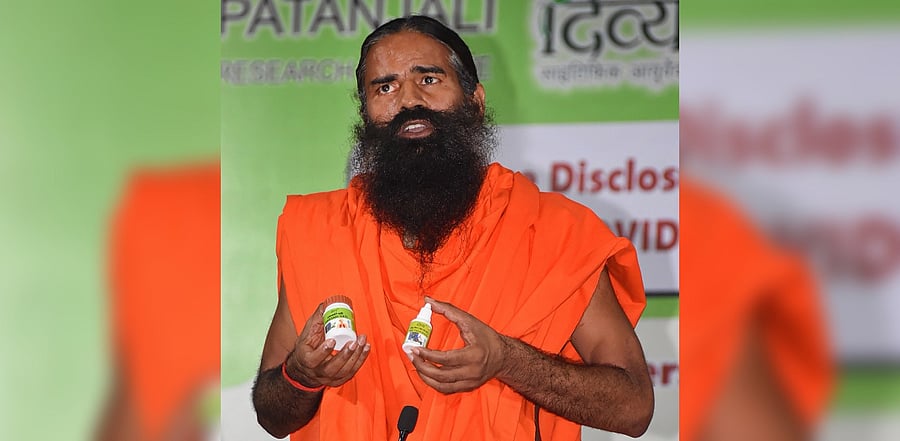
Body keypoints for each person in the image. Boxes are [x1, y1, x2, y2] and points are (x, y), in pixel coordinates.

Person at [252, 15, 653, 441]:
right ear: (366, 115)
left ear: (475, 101)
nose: (408, 101)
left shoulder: (553, 231)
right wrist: (301, 375)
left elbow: (633, 408)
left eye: (428, 79)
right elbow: (273, 417)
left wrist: (506, 360)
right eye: (384, 87)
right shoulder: (322, 233)